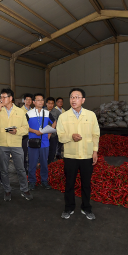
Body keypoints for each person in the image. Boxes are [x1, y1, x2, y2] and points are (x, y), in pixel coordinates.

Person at [57, 88, 100, 221]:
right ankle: (69, 207)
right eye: (71, 97)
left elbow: (95, 134)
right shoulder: (63, 116)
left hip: (86, 155)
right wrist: (71, 136)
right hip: (71, 156)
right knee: (69, 183)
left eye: (77, 97)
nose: (73, 100)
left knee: (86, 183)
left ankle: (86, 207)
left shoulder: (90, 115)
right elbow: (60, 136)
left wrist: (95, 151)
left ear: (83, 100)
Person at [0, 88, 32, 202]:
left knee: (21, 169)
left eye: (4, 97)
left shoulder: (20, 111)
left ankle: (24, 189)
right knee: (4, 169)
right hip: (2, 144)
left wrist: (17, 131)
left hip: (16, 144)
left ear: (10, 98)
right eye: (1, 97)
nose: (1, 99)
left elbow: (26, 129)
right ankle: (7, 190)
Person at [26, 94, 56, 191]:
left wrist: (50, 132)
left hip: (44, 142)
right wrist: (35, 131)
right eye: (38, 100)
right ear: (33, 102)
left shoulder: (46, 113)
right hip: (33, 141)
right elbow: (24, 126)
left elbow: (54, 122)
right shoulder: (29, 113)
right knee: (32, 163)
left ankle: (44, 181)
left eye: (42, 100)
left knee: (44, 162)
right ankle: (32, 181)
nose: (40, 102)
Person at [46, 97, 61, 164]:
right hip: (44, 134)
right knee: (44, 150)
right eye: (49, 103)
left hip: (53, 135)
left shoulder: (57, 112)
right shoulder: (42, 111)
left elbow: (60, 123)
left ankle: (50, 163)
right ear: (46, 103)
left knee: (52, 150)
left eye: (52, 103)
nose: (50, 105)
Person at [21, 94, 33, 173]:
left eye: (30, 99)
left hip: (33, 134)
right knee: (24, 152)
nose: (28, 101)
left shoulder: (33, 110)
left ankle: (31, 168)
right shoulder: (20, 111)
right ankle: (24, 168)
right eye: (27, 99)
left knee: (31, 152)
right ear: (24, 101)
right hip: (24, 135)